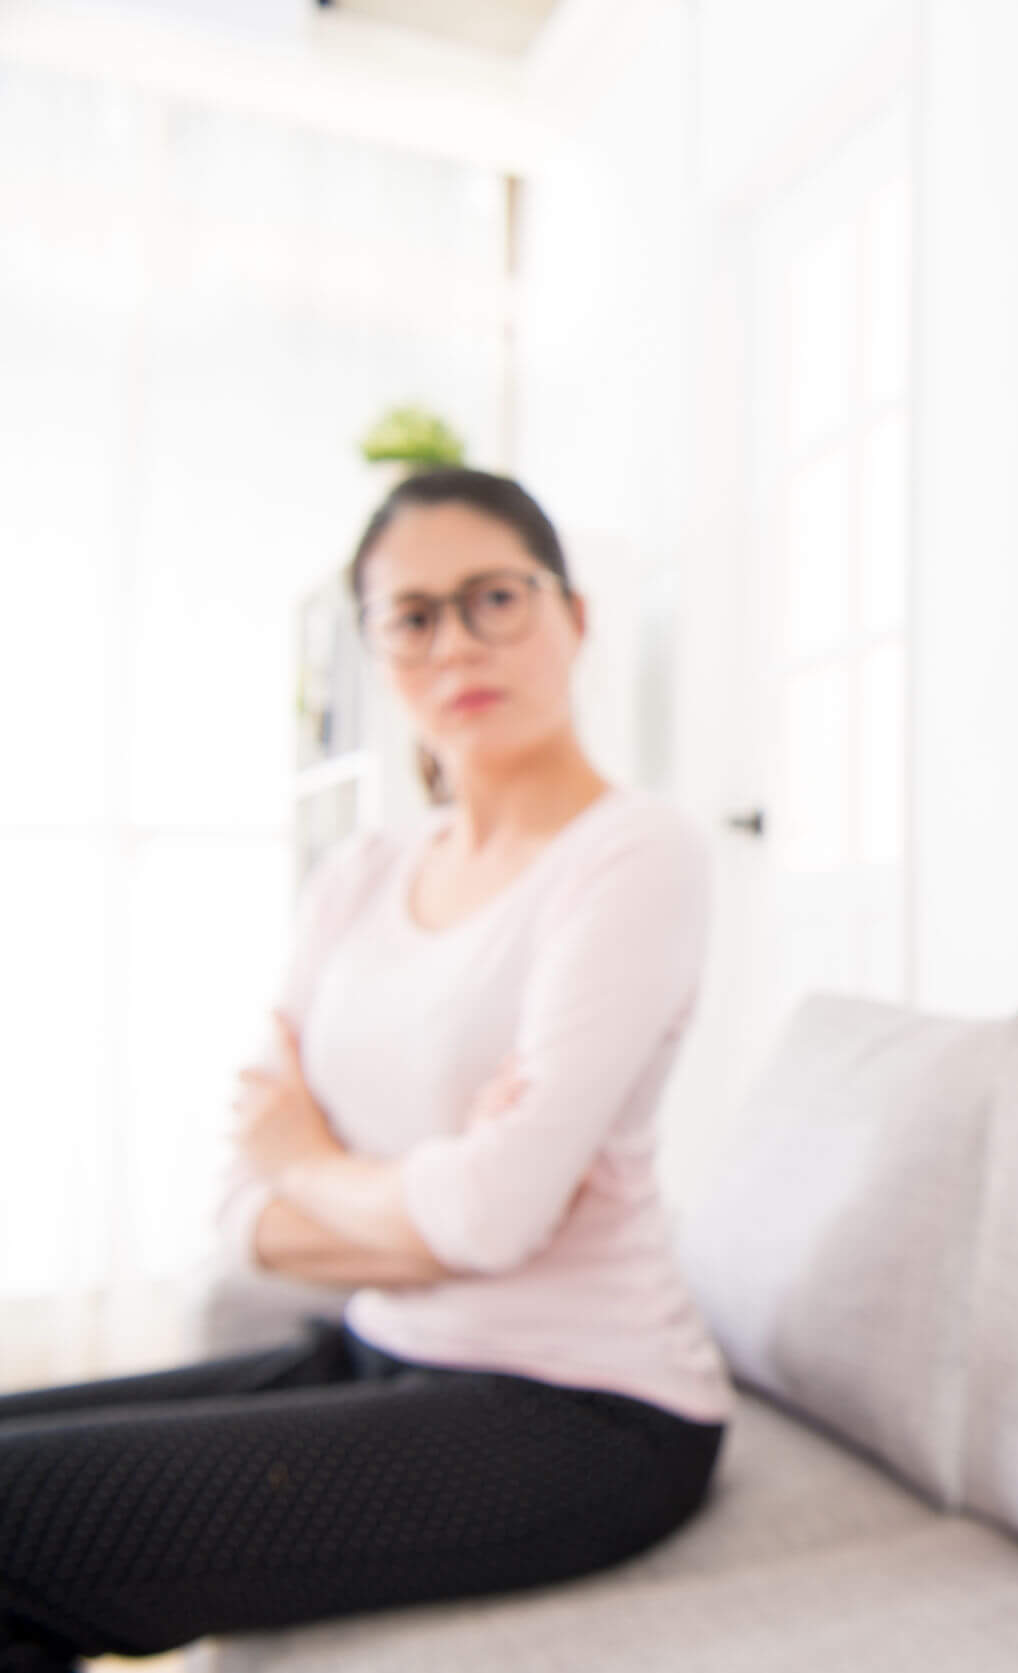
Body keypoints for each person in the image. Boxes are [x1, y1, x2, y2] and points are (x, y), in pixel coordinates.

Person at [0, 469, 730, 1670]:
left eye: (494, 596)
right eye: (413, 614)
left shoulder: (634, 854)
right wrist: (435, 1204)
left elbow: (475, 1212)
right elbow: (244, 1209)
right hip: (384, 1345)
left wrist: (317, 1159)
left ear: (573, 615)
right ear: (377, 649)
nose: (455, 643)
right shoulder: (356, 877)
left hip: (589, 1407)